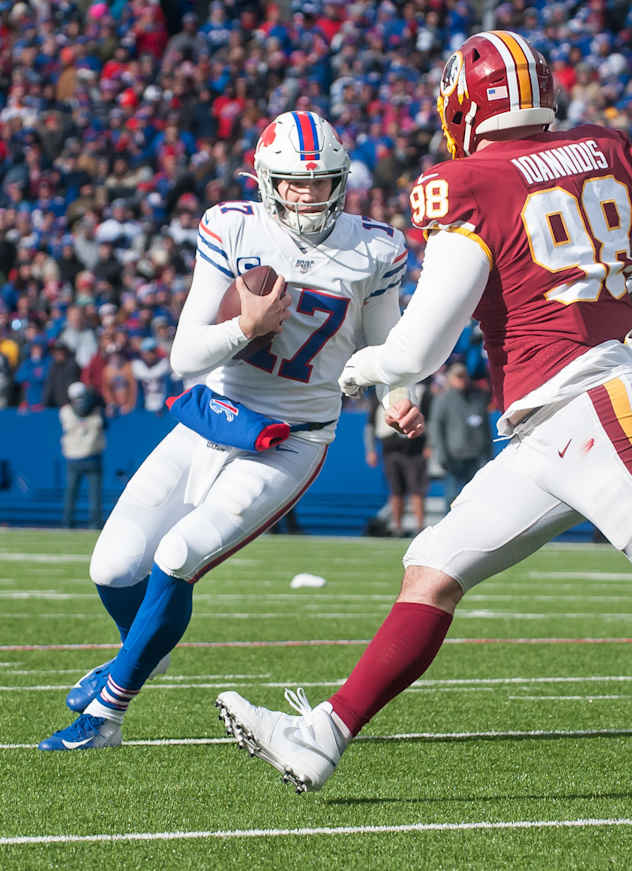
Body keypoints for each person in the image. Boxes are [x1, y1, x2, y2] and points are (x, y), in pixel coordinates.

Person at [216, 30, 632, 794]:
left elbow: (421, 344)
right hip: (546, 425)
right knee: (433, 565)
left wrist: (365, 367)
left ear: (465, 99)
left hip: (588, 404)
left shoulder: (469, 179)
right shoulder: (602, 147)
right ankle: (321, 735)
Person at [37, 110, 424, 750]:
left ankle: (107, 713)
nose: (307, 196)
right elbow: (185, 357)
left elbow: (387, 343)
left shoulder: (375, 248)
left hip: (292, 435)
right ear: (266, 181)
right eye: (294, 184)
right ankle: (145, 651)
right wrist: (248, 326)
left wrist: (398, 395)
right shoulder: (231, 226)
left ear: (342, 180)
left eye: (321, 182)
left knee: (178, 555)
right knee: (111, 567)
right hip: (214, 416)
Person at [365, 384, 429, 537]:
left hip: (414, 447)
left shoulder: (420, 391)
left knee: (417, 490)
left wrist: (429, 444)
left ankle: (420, 527)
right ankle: (397, 526)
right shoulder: (379, 392)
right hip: (390, 448)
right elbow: (370, 424)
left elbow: (429, 418)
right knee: (395, 490)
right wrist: (371, 450)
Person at [427, 361, 492, 509]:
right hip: (454, 457)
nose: (462, 380)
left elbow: (485, 425)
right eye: (458, 377)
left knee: (477, 497)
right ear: (450, 379)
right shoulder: (442, 400)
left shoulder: (477, 396)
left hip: (476, 455)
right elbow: (436, 427)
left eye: (464, 376)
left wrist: (488, 451)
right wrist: (442, 454)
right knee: (452, 497)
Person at [60, 382, 106, 529]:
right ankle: (92, 523)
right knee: (90, 495)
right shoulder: (96, 411)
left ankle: (69, 523)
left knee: (77, 494)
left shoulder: (65, 411)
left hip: (80, 456)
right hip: (88, 455)